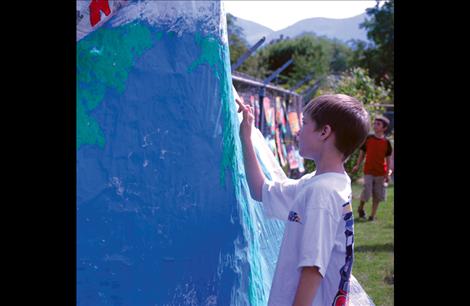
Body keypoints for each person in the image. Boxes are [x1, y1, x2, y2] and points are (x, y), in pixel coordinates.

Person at [236, 94, 369, 306]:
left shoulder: (321, 193)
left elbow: (313, 269)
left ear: (324, 132)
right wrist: (246, 136)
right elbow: (260, 190)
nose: (298, 130)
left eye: (305, 123)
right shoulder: (322, 183)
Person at [352, 115, 393, 222]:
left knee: (377, 195)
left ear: (384, 128)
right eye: (374, 123)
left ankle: (372, 216)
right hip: (368, 170)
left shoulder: (387, 143)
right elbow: (362, 153)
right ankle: (361, 208)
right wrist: (357, 165)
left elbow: (388, 159)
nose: (375, 125)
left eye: (378, 124)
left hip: (380, 172)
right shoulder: (368, 139)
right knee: (367, 192)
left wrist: (387, 173)